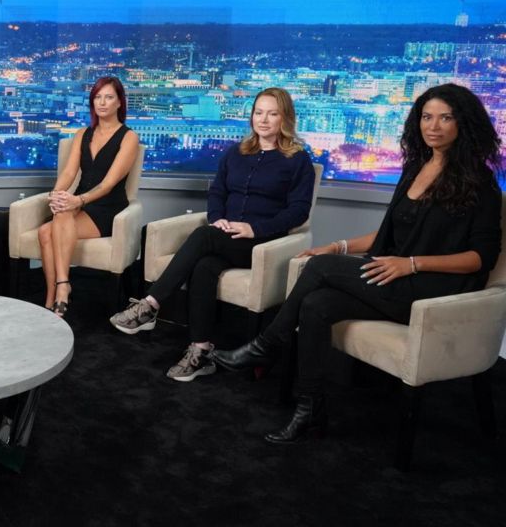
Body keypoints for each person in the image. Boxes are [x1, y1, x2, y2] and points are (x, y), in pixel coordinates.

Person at [212, 83, 503, 443]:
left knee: (319, 269)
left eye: (445, 118)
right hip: (394, 279)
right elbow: (388, 233)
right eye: (427, 117)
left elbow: (481, 258)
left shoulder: (480, 183)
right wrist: (337, 246)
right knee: (317, 305)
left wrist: (411, 264)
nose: (434, 126)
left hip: (433, 292)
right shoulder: (415, 168)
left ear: (464, 123)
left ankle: (265, 345)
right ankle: (310, 411)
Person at [110, 87, 316, 382]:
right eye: (258, 113)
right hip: (226, 237)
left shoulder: (297, 160)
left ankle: (150, 305)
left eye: (272, 114)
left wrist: (253, 229)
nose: (263, 119)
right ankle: (201, 351)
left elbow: (298, 212)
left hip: (262, 243)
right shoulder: (237, 152)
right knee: (204, 267)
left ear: (285, 118)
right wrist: (218, 219)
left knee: (203, 236)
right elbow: (218, 191)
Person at [37, 76, 140, 317]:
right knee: (47, 229)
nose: (102, 102)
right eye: (97, 97)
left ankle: (60, 289)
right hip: (79, 203)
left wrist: (77, 200)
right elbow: (69, 173)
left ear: (119, 102)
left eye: (109, 97)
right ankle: (54, 295)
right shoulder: (83, 133)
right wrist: (56, 195)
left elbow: (108, 184)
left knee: (49, 228)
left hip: (107, 207)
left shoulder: (129, 137)